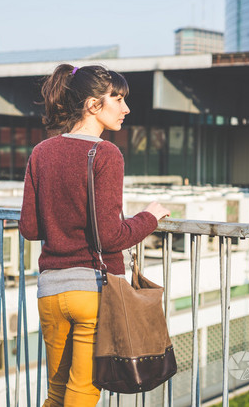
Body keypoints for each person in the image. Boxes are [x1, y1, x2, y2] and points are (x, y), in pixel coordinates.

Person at [19, 64, 170, 406]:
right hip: (91, 293)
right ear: (91, 104)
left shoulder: (41, 152)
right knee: (83, 394)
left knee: (57, 393)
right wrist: (150, 217)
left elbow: (29, 228)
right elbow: (110, 237)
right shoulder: (106, 154)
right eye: (117, 98)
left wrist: (61, 215)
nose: (126, 108)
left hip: (50, 292)